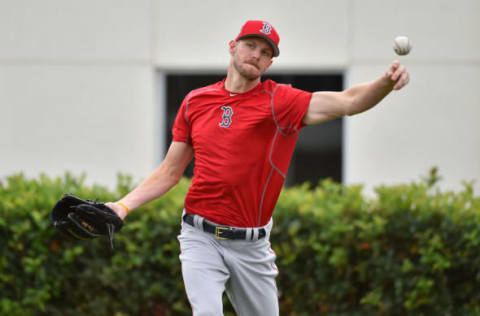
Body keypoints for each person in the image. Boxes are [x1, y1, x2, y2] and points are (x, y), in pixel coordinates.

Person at [106, 20, 410, 315]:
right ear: (232, 47)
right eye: (250, 45)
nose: (257, 54)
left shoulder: (280, 102)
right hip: (199, 236)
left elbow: (347, 101)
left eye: (266, 53)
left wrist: (384, 83)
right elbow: (169, 173)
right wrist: (122, 206)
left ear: (269, 64)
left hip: (251, 247)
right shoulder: (195, 102)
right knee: (207, 312)